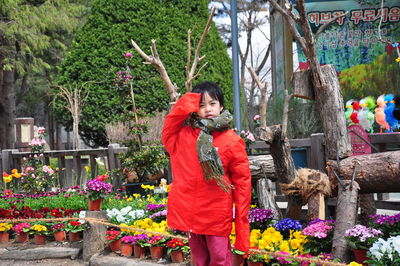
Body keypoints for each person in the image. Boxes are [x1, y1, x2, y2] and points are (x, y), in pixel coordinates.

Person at [162, 81, 251, 266]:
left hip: (216, 214)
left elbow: (242, 184)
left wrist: (242, 229)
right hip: (191, 213)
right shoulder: (182, 136)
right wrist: (189, 100)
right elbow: (171, 122)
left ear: (221, 106)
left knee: (220, 259)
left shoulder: (232, 141)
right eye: (201, 105)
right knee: (199, 261)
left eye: (212, 103)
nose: (207, 109)